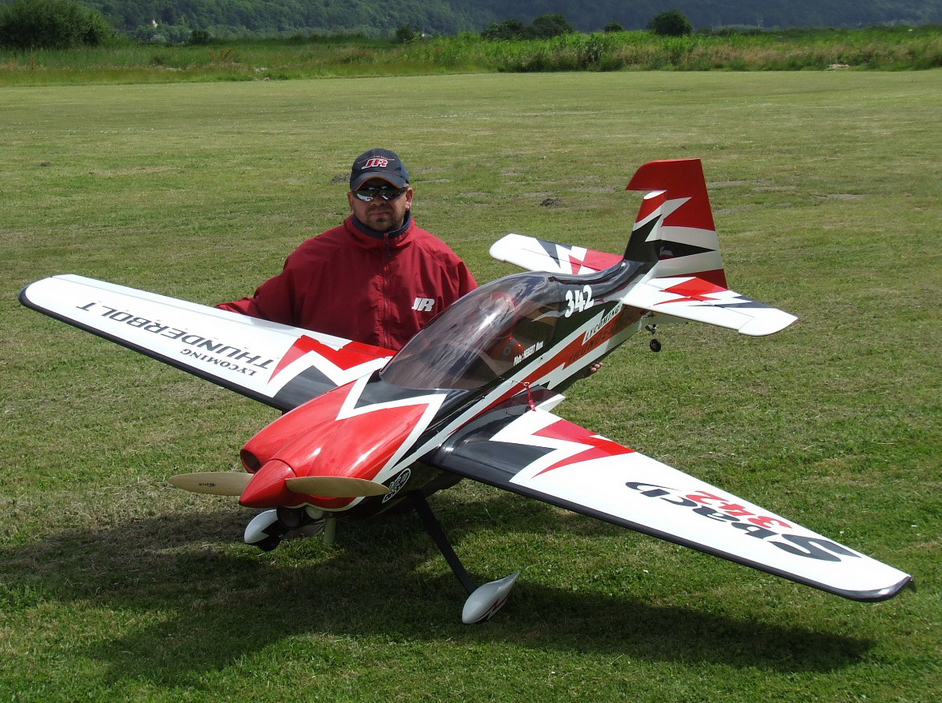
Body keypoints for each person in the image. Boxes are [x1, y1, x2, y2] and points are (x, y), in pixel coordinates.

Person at [218, 148, 477, 351]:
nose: (378, 201)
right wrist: (197, 321)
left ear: (408, 198)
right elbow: (263, 313)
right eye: (366, 193)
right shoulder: (314, 259)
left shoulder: (441, 261)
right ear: (351, 200)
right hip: (331, 397)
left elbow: (479, 325)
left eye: (389, 191)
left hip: (413, 402)